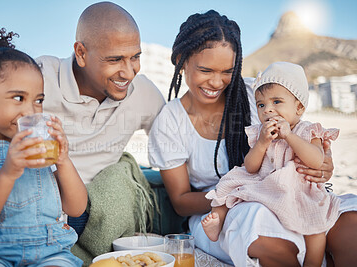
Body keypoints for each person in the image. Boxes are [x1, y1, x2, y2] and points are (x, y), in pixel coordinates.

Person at [0, 1, 165, 263]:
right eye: (115, 59)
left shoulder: (144, 94)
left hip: (65, 221)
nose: (129, 70)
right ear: (81, 53)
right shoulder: (34, 74)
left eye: (135, 57)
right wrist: (8, 169)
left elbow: (175, 147)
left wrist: (64, 159)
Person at [148, 10, 357, 267]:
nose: (217, 82)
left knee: (351, 225)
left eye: (227, 71)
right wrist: (242, 192)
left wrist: (322, 165)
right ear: (181, 59)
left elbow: (299, 130)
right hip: (222, 212)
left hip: (291, 192)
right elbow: (180, 201)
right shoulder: (170, 121)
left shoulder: (256, 95)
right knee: (266, 235)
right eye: (205, 70)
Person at [0, 29, 86, 266]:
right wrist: (8, 173)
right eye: (18, 98)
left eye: (38, 100)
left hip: (50, 253)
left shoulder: (41, 149)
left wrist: (64, 161)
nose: (31, 111)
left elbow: (76, 208)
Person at [201, 61, 341, 266]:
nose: (268, 110)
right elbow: (250, 166)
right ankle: (217, 220)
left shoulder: (308, 130)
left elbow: (316, 160)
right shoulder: (259, 132)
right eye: (261, 104)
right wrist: (262, 143)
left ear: (299, 107)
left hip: (298, 187)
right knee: (230, 187)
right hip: (264, 181)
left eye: (277, 102)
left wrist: (289, 136)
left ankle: (313, 262)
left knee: (315, 226)